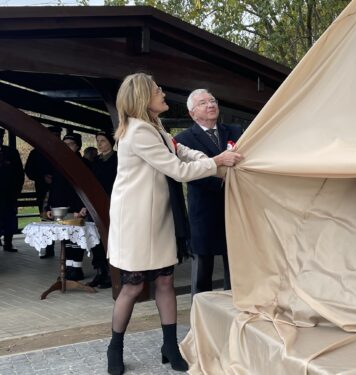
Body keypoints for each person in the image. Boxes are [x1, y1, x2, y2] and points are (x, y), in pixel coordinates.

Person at [105, 73, 242, 375]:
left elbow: (182, 151)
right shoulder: (139, 131)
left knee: (165, 281)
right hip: (136, 221)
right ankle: (115, 347)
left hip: (159, 218)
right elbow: (178, 170)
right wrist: (217, 162)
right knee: (133, 285)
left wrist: (216, 162)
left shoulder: (157, 127)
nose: (163, 93)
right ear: (143, 97)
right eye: (157, 90)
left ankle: (170, 346)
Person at [174, 89, 241, 295]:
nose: (210, 105)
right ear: (193, 113)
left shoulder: (235, 131)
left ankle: (236, 308)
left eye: (213, 100)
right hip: (204, 209)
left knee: (237, 264)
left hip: (236, 206)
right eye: (203, 103)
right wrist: (223, 180)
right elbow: (190, 172)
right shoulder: (183, 139)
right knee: (203, 269)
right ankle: (199, 317)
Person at [44, 132, 89, 281]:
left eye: (70, 144)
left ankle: (77, 268)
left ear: (77, 147)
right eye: (65, 144)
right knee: (66, 239)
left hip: (77, 208)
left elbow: (87, 189)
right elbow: (54, 188)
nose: (67, 147)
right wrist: (49, 207)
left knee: (76, 239)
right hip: (60, 208)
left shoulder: (84, 164)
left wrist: (83, 207)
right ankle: (68, 268)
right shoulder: (59, 163)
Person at [25, 125, 62, 258]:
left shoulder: (64, 152)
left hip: (61, 192)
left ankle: (69, 252)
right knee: (46, 219)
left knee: (67, 220)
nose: (55, 138)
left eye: (58, 136)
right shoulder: (36, 153)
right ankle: (48, 248)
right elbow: (29, 170)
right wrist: (42, 177)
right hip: (43, 191)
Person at [87, 131, 117, 289]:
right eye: (97, 141)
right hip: (96, 204)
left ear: (110, 142)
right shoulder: (96, 161)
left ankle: (113, 273)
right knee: (96, 239)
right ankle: (100, 271)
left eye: (103, 141)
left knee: (110, 238)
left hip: (113, 202)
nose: (99, 144)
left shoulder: (117, 159)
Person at [0, 127, 24, 253]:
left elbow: (19, 174)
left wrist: (17, 191)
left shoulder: (11, 153)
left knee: (9, 219)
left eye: (0, 137)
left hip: (9, 194)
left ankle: (8, 243)